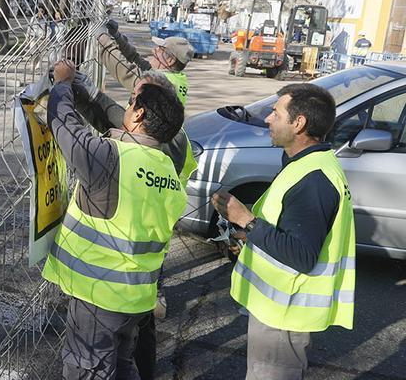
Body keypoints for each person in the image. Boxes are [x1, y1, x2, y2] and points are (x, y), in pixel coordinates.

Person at [42, 59, 187, 379]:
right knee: (122, 365)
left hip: (98, 297)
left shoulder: (112, 158)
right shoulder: (168, 171)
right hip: (135, 299)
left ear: (138, 115)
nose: (127, 106)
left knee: (88, 370)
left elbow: (63, 125)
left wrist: (63, 84)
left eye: (131, 102)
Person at [212, 83, 355, 380]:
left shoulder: (314, 178)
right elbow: (288, 228)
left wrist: (246, 220)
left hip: (286, 316)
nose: (267, 119)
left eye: (276, 113)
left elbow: (301, 255)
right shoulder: (307, 164)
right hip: (279, 311)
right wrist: (246, 236)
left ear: (298, 123)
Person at [99, 19, 193, 106]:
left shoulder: (160, 84)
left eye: (160, 49)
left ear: (170, 60)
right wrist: (117, 36)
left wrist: (102, 39)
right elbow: (136, 58)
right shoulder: (173, 77)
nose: (153, 50)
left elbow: (125, 71)